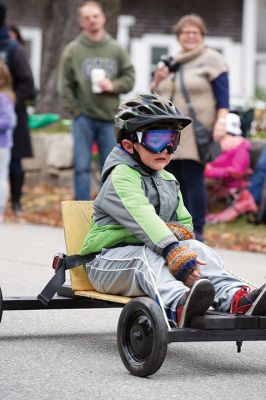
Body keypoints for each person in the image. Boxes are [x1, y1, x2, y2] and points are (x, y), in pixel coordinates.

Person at [78, 93, 266, 327]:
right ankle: (178, 302)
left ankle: (236, 297)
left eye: (173, 140)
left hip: (150, 254)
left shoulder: (167, 179)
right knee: (144, 257)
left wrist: (176, 242)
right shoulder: (120, 176)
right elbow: (142, 215)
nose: (166, 148)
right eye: (156, 139)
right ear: (129, 145)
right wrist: (169, 246)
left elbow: (185, 227)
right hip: (106, 263)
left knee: (196, 248)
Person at [150, 14, 229, 242]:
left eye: (195, 32)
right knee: (170, 178)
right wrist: (157, 79)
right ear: (178, 36)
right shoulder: (170, 61)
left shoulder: (212, 59)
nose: (190, 36)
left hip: (196, 131)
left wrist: (222, 121)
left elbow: (223, 96)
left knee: (193, 179)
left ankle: (197, 231)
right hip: (168, 131)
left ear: (202, 36)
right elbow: (156, 96)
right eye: (186, 32)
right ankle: (174, 227)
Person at [58, 1, 135, 200]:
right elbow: (64, 85)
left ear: (103, 18)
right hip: (83, 117)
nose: (92, 21)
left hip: (109, 117)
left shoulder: (115, 49)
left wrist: (113, 85)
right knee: (81, 166)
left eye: (95, 16)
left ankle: (105, 212)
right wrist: (75, 111)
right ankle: (81, 210)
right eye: (87, 17)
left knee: (109, 167)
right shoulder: (73, 50)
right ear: (80, 22)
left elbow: (129, 78)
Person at [0, 3, 35, 216]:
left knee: (13, 161)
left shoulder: (13, 49)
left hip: (10, 113)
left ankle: (16, 203)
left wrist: (8, 101)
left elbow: (28, 84)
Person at [204, 113, 257, 223]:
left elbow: (237, 171)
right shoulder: (222, 145)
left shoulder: (241, 147)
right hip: (217, 180)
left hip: (230, 183)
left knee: (198, 183)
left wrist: (211, 171)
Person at [0, 60, 16, 222]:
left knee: (1, 177)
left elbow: (9, 121)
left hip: (2, 144)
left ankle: (0, 210)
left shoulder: (3, 98)